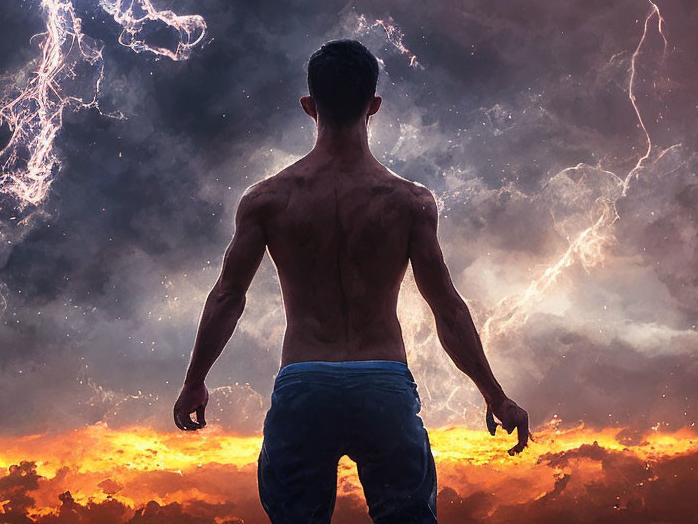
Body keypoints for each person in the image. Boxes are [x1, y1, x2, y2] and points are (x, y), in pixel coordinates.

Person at [173, 39, 529, 523]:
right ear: (374, 106)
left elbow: (227, 298)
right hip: (382, 383)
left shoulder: (268, 200)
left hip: (305, 383)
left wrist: (195, 381)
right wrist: (495, 395)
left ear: (309, 106)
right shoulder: (409, 203)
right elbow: (446, 307)